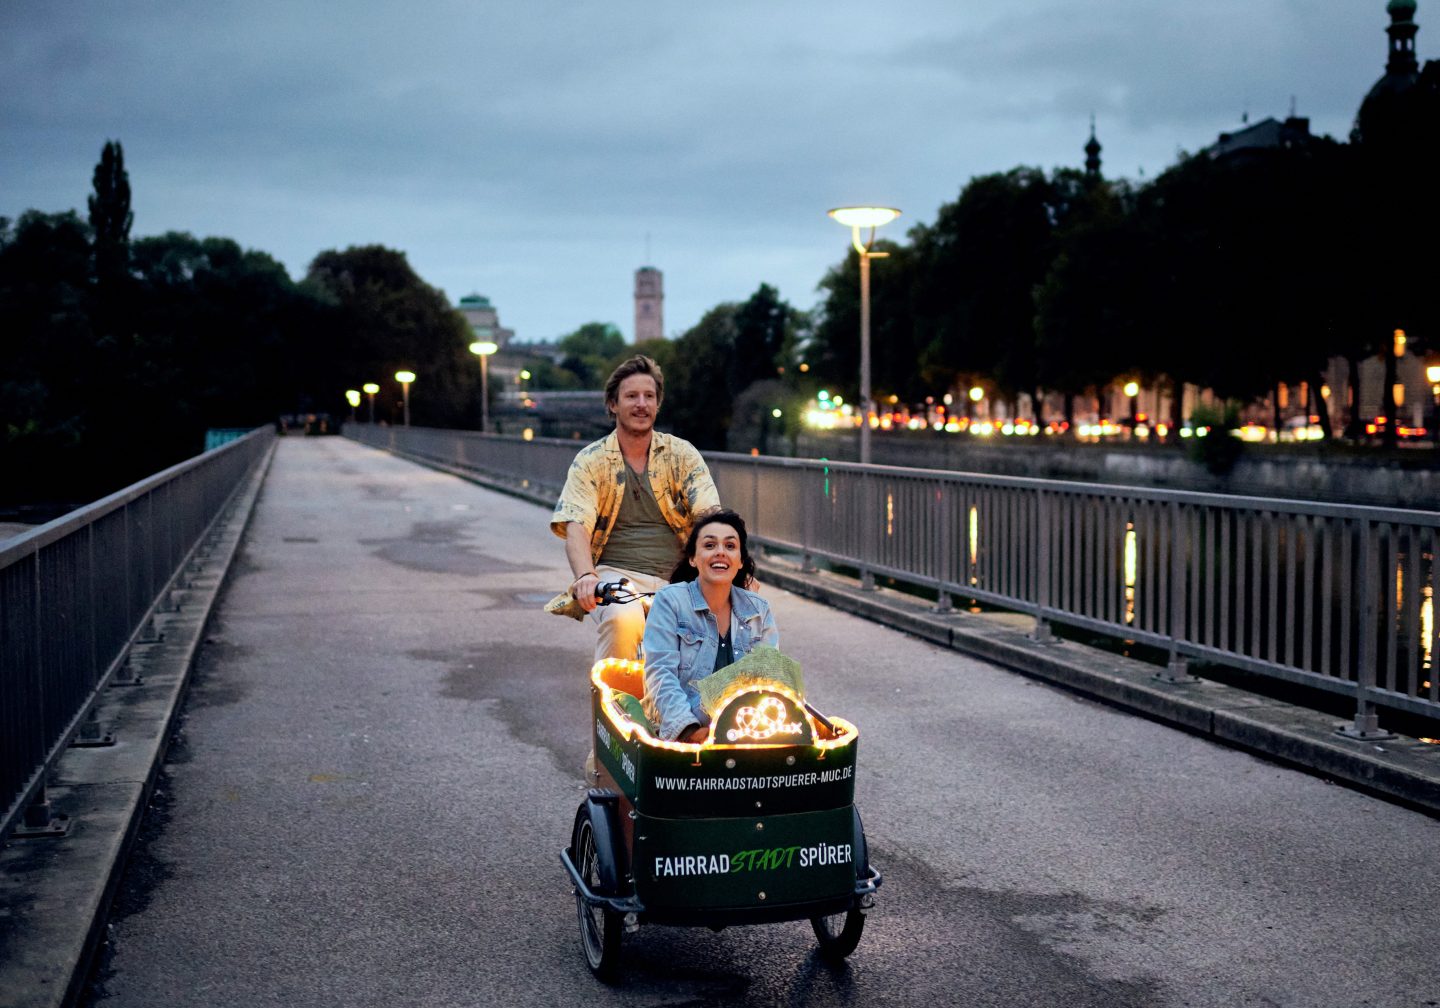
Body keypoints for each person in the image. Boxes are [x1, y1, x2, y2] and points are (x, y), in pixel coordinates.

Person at [551, 355, 720, 662]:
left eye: (649, 396)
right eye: (631, 396)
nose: (641, 404)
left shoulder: (682, 455)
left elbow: (709, 516)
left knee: (716, 639)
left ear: (657, 403)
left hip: (680, 578)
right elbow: (577, 524)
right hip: (616, 578)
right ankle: (611, 691)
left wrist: (734, 567)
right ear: (613, 404)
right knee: (623, 621)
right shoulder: (591, 461)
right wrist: (586, 575)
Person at [642, 509, 778, 743]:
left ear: (740, 561)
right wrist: (688, 730)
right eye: (709, 545)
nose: (720, 552)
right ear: (693, 559)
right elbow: (661, 672)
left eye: (730, 546)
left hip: (744, 730)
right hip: (681, 730)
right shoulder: (670, 601)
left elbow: (768, 679)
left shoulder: (759, 609)